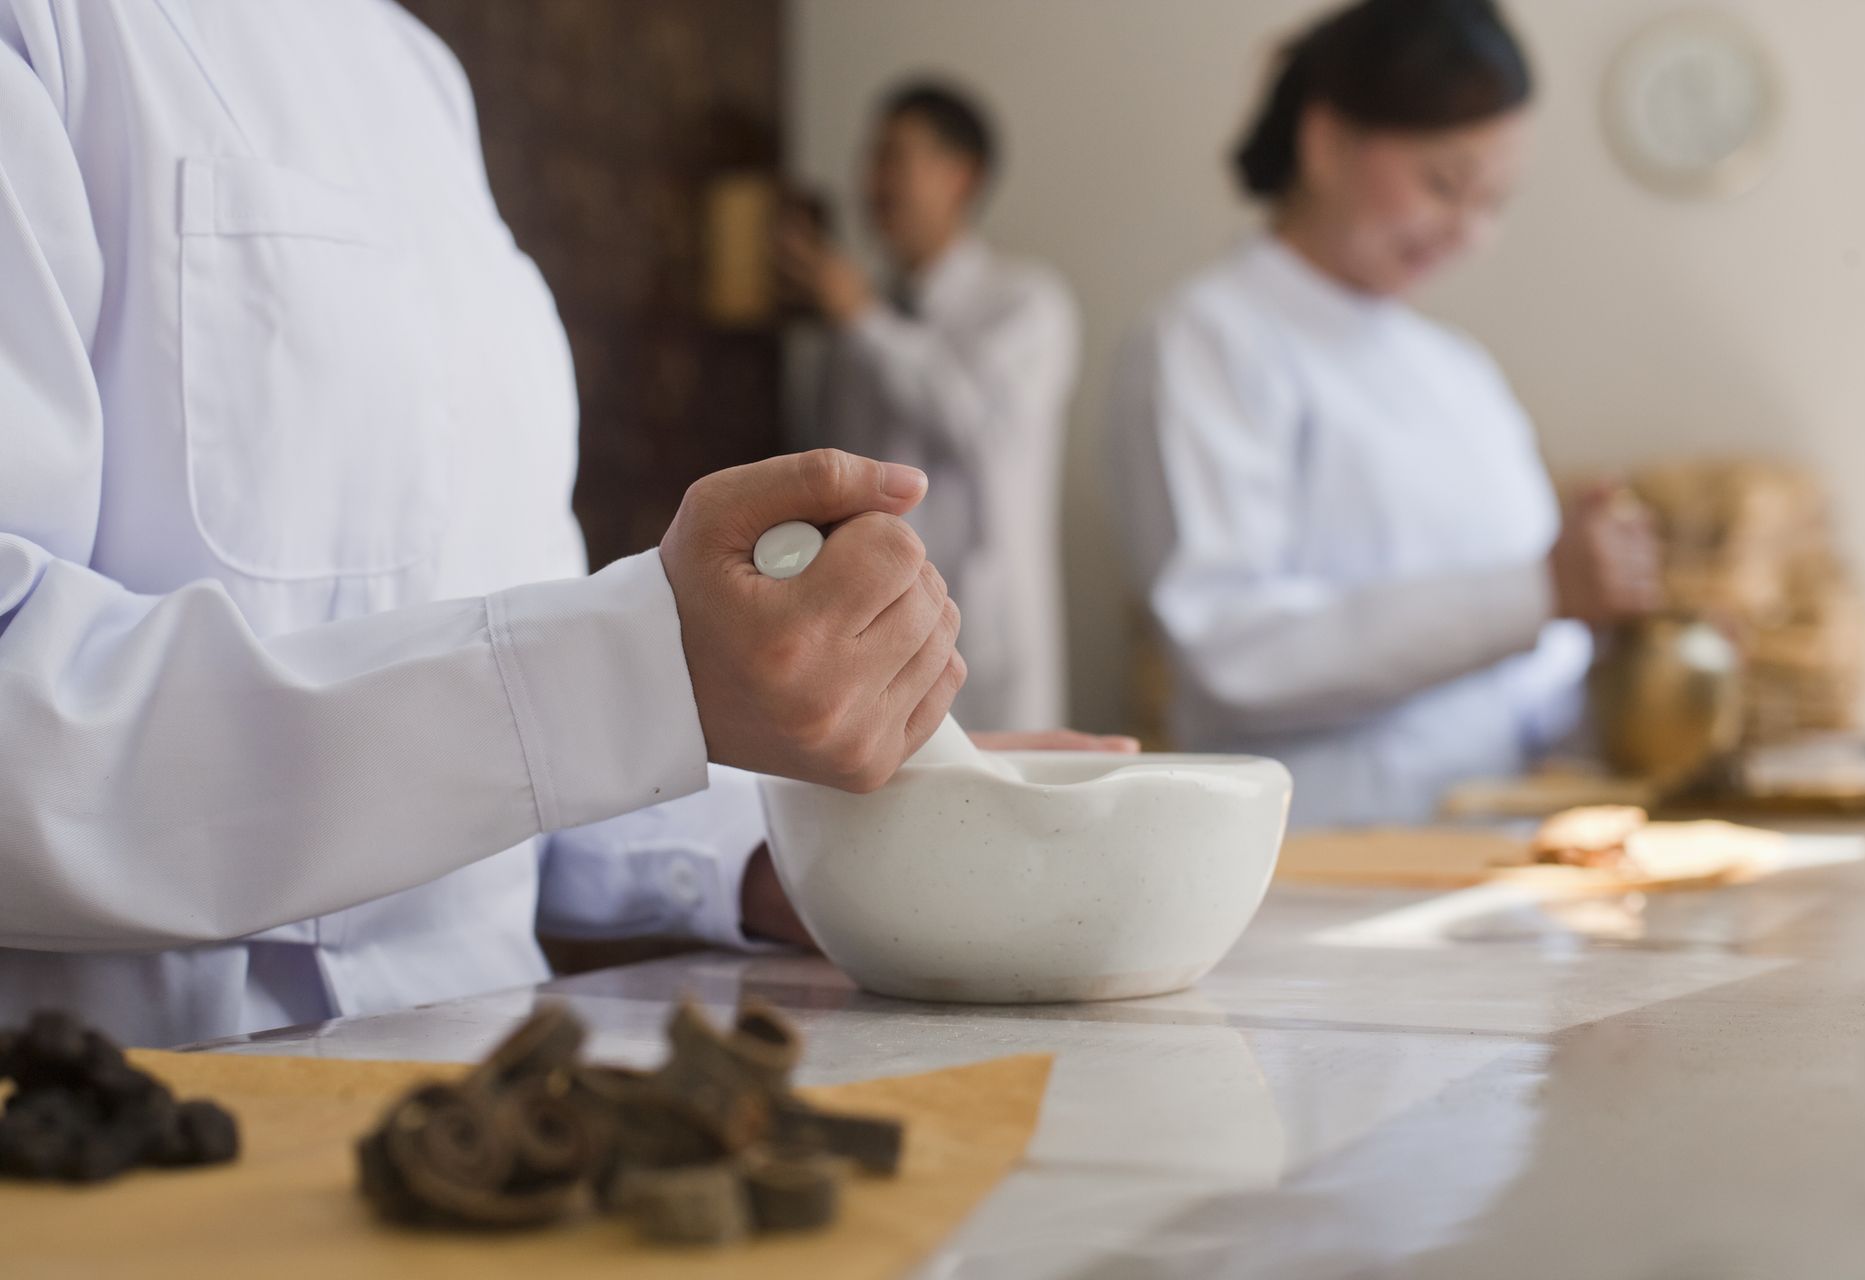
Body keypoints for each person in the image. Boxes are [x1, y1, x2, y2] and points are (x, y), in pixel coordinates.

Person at [0, 0, 1129, 1049]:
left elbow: (499, 741)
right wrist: (640, 672)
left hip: (506, 1107)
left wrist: (793, 839)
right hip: (140, 1124)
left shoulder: (419, 76)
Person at [1110, 0, 1661, 829]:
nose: (1468, 231)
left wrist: (1631, 648)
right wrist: (1539, 590)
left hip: (1499, 857)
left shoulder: (1460, 371)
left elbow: (1528, 674)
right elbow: (1233, 652)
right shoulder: (1209, 338)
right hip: (1314, 864)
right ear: (1327, 141)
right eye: (1445, 184)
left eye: (1496, 202)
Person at [782, 80, 1080, 732]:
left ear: (961, 176)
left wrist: (864, 318)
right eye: (870, 159)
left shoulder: (1027, 304)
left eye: (894, 158)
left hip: (988, 647)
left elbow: (981, 429)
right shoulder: (851, 333)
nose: (872, 181)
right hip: (869, 642)